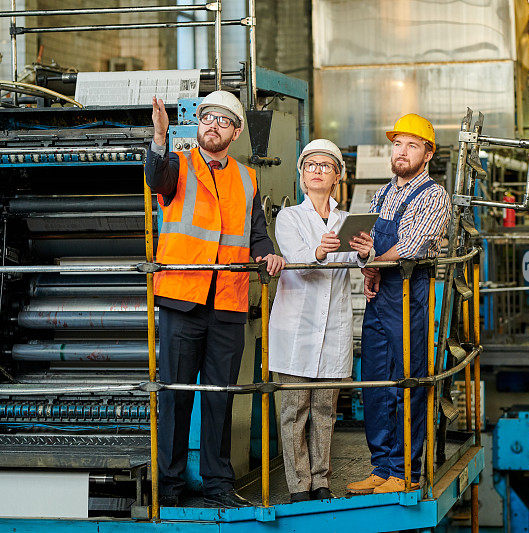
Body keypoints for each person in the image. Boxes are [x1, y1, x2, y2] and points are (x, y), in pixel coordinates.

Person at [146, 90, 286, 509]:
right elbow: (156, 178)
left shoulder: (247, 177)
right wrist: (159, 137)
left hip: (227, 301)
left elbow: (255, 233)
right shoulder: (178, 164)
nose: (212, 125)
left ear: (237, 131)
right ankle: (168, 486)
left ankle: (218, 484)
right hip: (182, 299)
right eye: (207, 118)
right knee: (175, 394)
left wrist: (269, 254)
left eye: (223, 121)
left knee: (220, 395)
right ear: (198, 124)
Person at [346, 114, 452, 495]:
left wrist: (374, 259)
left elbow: (411, 246)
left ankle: (405, 470)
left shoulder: (434, 196)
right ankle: (381, 466)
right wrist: (368, 266)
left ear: (427, 154)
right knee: (375, 381)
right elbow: (367, 240)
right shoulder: (383, 193)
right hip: (379, 297)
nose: (402, 152)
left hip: (409, 296)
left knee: (407, 381)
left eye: (412, 145)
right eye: (397, 144)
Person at [269, 139, 374, 502]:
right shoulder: (289, 217)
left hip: (333, 330)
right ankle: (299, 485)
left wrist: (365, 253)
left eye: (325, 166)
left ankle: (321, 480)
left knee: (326, 410)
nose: (317, 171)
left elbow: (360, 266)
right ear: (301, 176)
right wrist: (319, 251)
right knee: (294, 411)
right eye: (310, 165)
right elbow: (298, 261)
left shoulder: (348, 221)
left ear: (337, 177)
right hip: (295, 330)